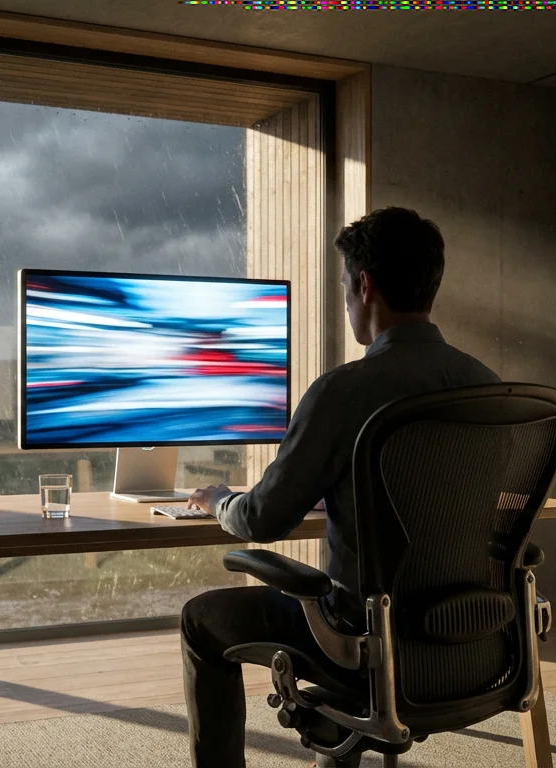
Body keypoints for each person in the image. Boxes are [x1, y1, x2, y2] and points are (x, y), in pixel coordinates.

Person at [180, 207, 501, 768]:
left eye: (346, 289)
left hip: (363, 641)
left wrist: (219, 501)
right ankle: (340, 743)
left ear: (364, 285)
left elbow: (263, 520)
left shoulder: (344, 391)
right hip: (470, 636)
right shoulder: (487, 387)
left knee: (202, 619)